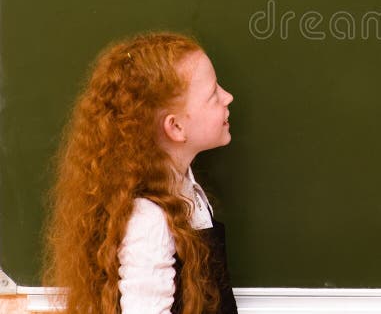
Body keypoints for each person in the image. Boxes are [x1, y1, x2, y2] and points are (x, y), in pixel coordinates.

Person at [43, 32, 238, 314]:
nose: (228, 96)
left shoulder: (184, 189)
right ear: (176, 128)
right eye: (213, 94)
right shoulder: (149, 220)